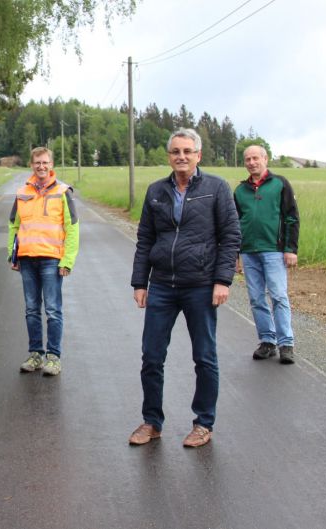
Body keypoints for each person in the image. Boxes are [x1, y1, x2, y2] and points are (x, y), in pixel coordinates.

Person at [129, 129, 241, 448]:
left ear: (198, 155)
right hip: (162, 284)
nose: (181, 156)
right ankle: (152, 422)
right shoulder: (156, 192)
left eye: (187, 151)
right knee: (151, 356)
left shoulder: (216, 188)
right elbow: (145, 240)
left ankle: (203, 423)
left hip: (201, 285)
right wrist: (140, 282)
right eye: (176, 151)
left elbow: (231, 236)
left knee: (204, 357)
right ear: (169, 156)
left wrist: (222, 280)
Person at [8, 146, 80, 376]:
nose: (41, 166)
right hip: (27, 258)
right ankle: (35, 354)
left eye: (45, 163)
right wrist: (13, 254)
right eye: (37, 163)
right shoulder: (22, 192)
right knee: (31, 309)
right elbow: (14, 226)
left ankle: (54, 357)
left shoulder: (62, 191)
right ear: (32, 165)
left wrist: (67, 260)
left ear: (51, 166)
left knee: (52, 310)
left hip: (51, 258)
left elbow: (72, 228)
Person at [234, 144, 300, 364]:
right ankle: (267, 341)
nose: (252, 162)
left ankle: (286, 343)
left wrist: (290, 249)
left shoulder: (279, 184)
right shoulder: (240, 191)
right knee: (256, 298)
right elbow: (234, 224)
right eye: (247, 159)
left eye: (256, 158)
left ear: (265, 159)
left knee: (279, 296)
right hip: (249, 251)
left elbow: (291, 217)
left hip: (274, 250)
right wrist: (236, 255)